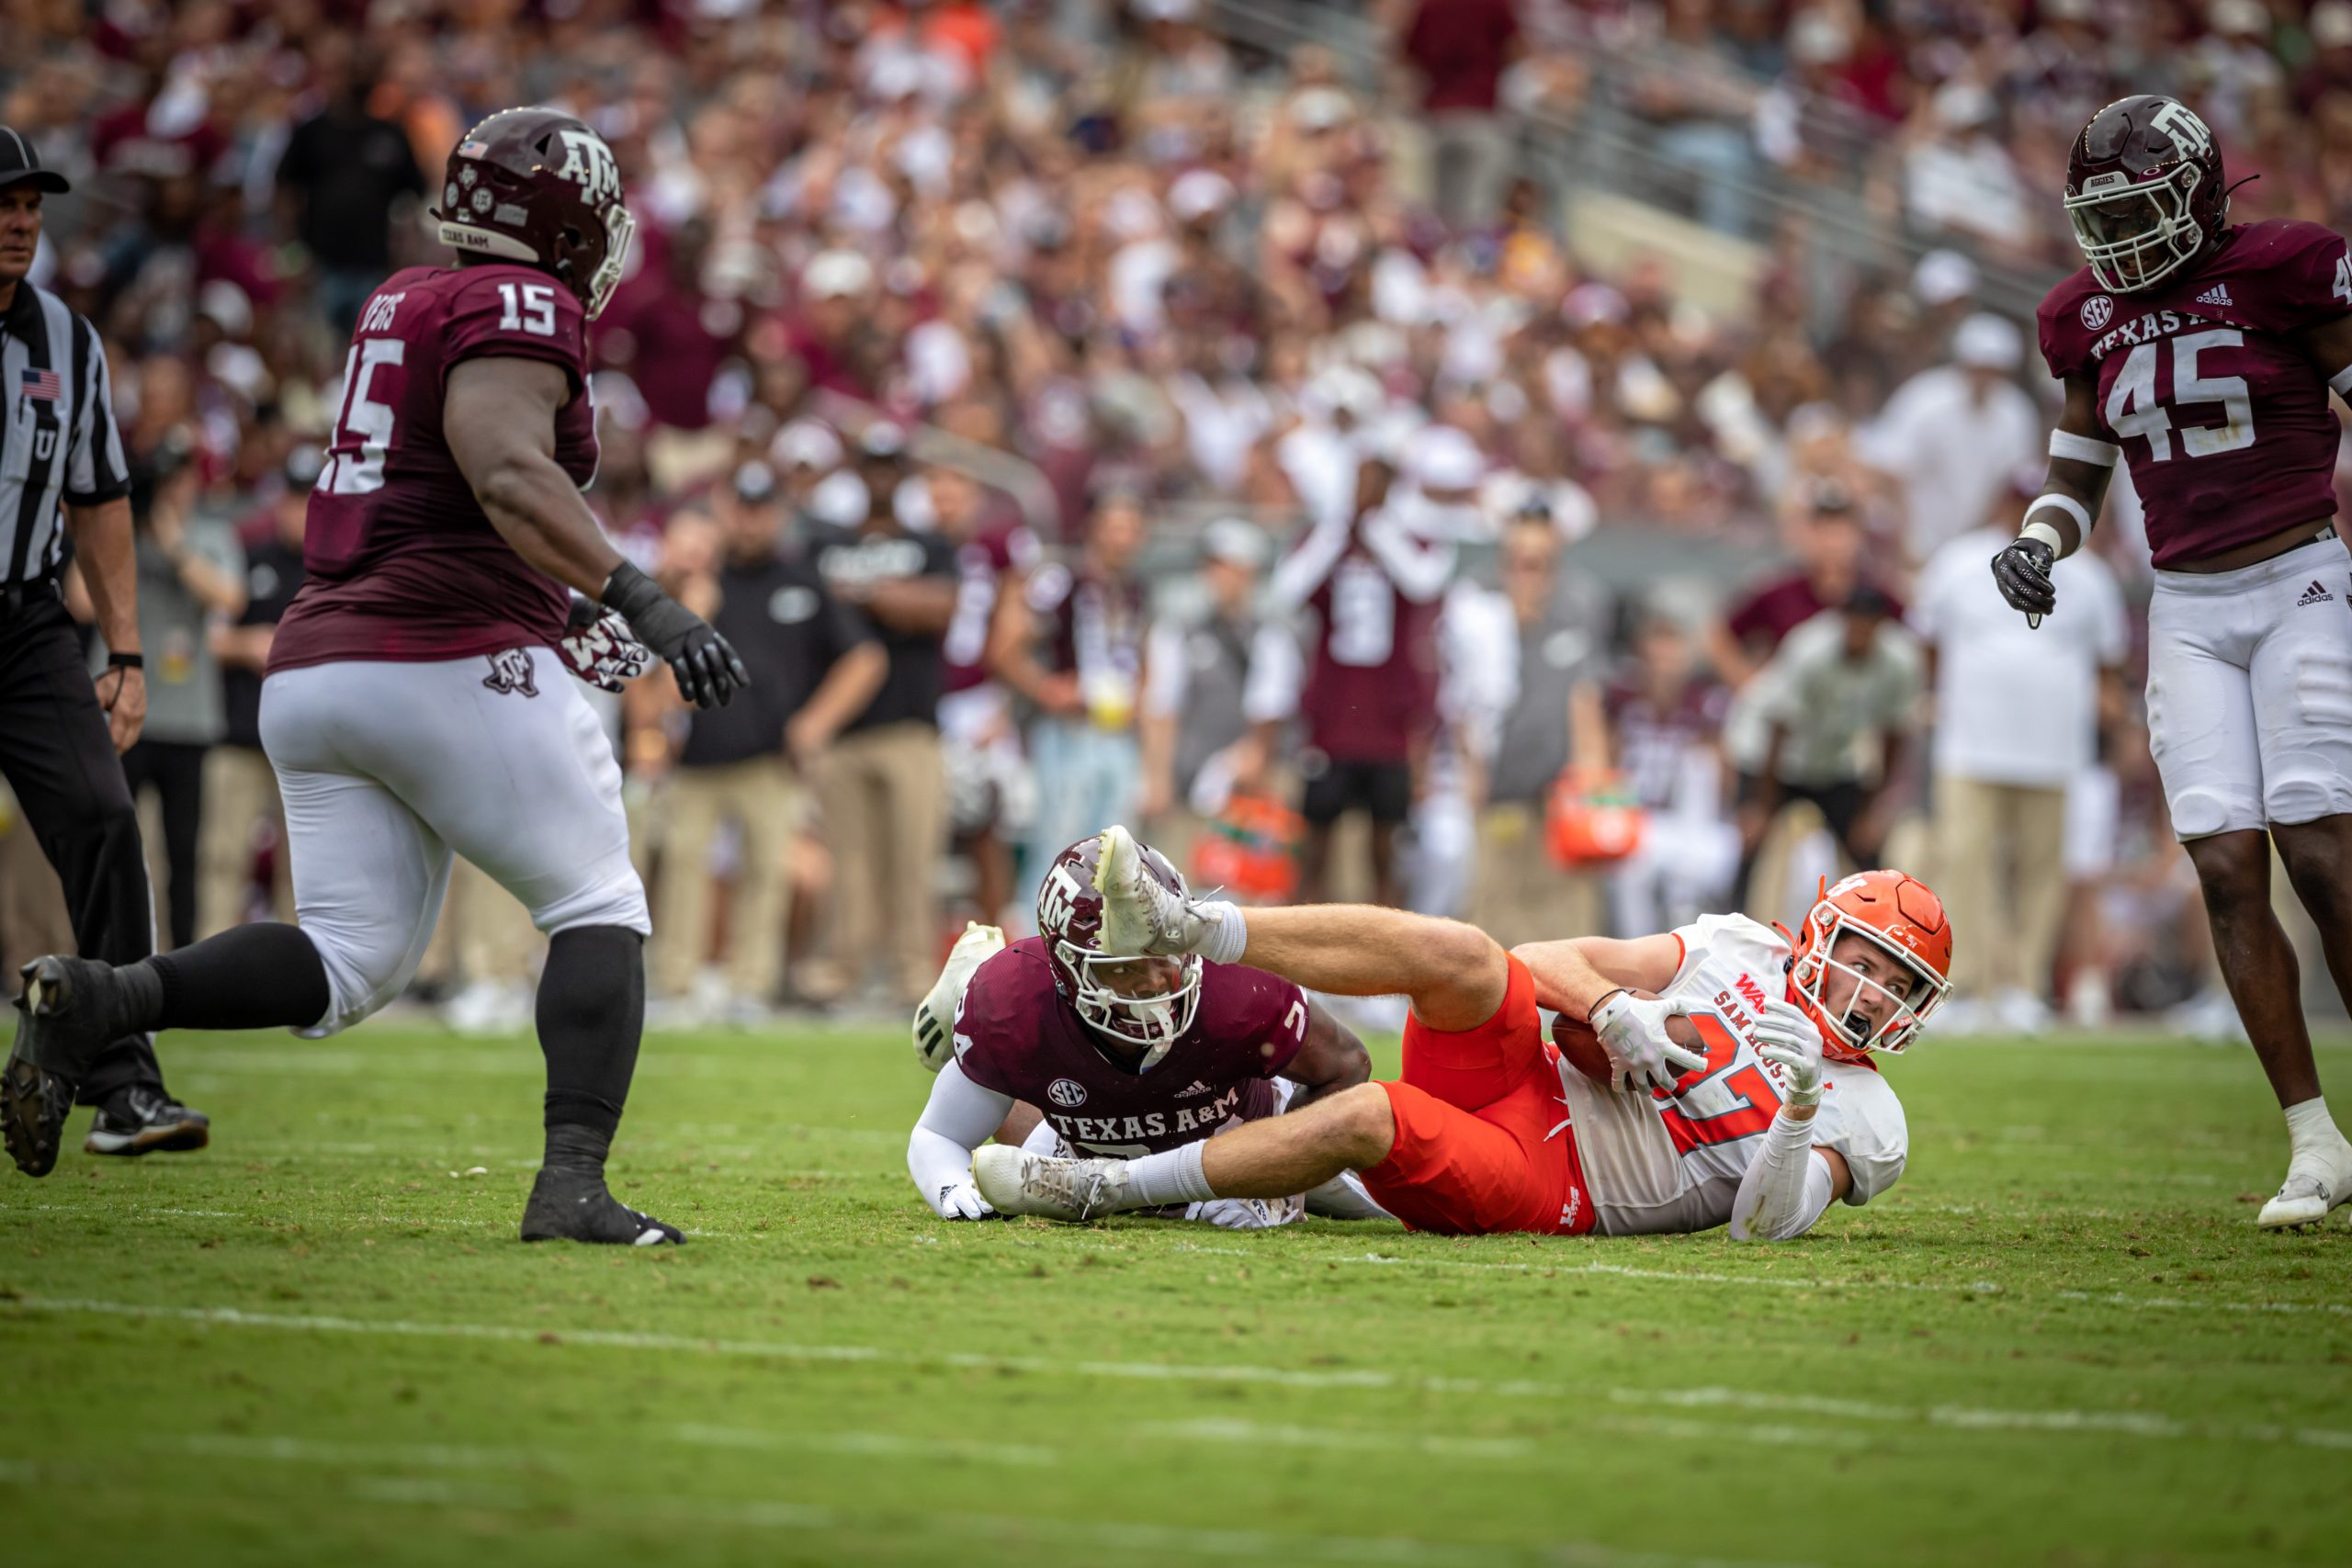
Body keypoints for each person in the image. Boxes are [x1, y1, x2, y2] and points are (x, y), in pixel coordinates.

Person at [2, 109, 749, 1247]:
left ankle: (107, 999)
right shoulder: (519, 300)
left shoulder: (406, 297)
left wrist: (558, 604)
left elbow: (441, 493)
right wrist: (642, 598)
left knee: (350, 961)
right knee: (598, 901)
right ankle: (571, 1189)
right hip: (439, 656)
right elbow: (501, 469)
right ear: (554, 222)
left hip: (320, 664)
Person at [1991, 95, 2352, 1229]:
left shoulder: (2286, 269)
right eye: (2104, 216)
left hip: (2299, 576)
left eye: (2141, 208)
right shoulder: (2080, 318)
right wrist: (2037, 543)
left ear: (2198, 191)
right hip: (2187, 607)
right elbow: (2077, 473)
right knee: (2224, 865)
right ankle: (2312, 1140)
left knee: (2321, 851)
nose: (2123, 239)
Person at [977, 826, 1949, 1243]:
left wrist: (1800, 1109)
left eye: (1896, 983)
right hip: (1529, 1080)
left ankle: (1102, 1186)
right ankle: (1194, 926)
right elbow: (1545, 956)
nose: (1869, 995)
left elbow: (1762, 1225)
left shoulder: (1868, 1117)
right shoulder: (1738, 945)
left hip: (1561, 1185)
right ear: (1820, 931)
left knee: (1371, 1113)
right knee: (1468, 954)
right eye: (1865, 959)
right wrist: (1614, 1011)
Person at [0, 127, 209, 1166]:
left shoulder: (67, 342)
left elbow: (101, 499)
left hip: (28, 619)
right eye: (2, 204)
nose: (19, 221)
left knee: (101, 818)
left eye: (30, 205)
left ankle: (123, 1082)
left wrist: (125, 654)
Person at [904, 835, 1383, 1226]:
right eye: (1124, 968)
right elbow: (939, 1135)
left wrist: (1283, 1162)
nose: (1156, 982)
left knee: (1356, 1206)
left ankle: (966, 1027)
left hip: (1240, 1129)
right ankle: (965, 1020)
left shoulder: (1235, 984)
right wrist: (951, 1184)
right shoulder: (1012, 1000)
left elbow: (1348, 1064)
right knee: (1020, 1104)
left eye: (1163, 954)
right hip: (1083, 1138)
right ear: (1066, 968)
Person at [650, 462, 885, 1016]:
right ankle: (677, 984)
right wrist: (690, 607)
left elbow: (864, 657)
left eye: (761, 509)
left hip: (768, 756)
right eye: (742, 507)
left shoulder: (801, 579)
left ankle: (748, 987)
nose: (752, 521)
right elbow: (664, 688)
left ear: (777, 512)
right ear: (724, 508)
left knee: (767, 873)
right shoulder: (699, 580)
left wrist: (816, 722)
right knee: (684, 868)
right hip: (697, 756)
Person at [1917, 491, 2126, 1033]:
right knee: (1963, 862)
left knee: (2041, 872)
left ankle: (2022, 987)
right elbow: (1928, 644)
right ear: (2003, 501)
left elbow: (2109, 663)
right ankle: (1961, 986)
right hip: (1968, 747)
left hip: (2055, 753)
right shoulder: (1958, 562)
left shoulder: (2092, 576)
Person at [1263, 432, 1460, 907]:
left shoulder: (1410, 541)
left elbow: (1424, 581)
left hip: (1388, 724)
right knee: (1315, 846)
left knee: (1384, 850)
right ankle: (1308, 953)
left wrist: (1377, 528)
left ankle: (1382, 957)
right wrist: (1339, 528)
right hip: (1331, 719)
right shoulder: (1326, 540)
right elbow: (1286, 590)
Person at [803, 432, 960, 1007]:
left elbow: (940, 607)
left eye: (892, 464)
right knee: (847, 862)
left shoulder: (930, 543)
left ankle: (912, 976)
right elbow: (809, 618)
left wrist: (864, 592)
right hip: (843, 730)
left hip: (911, 725)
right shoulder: (824, 543)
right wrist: (893, 599)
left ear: (905, 472)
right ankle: (841, 971)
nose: (882, 475)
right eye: (872, 464)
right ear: (858, 470)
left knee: (914, 859)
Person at [93, 439, 247, 952]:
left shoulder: (209, 533)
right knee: (113, 843)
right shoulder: (116, 531)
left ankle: (182, 961)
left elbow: (230, 596)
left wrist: (174, 543)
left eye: (181, 477)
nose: (173, 489)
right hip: (125, 714)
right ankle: (113, 953)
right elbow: (76, 595)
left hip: (189, 719)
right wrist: (123, 525)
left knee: (185, 850)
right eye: (165, 479)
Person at [989, 485, 1151, 929]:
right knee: (1058, 847)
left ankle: (1091, 953)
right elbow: (1005, 645)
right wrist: (1045, 689)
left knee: (1116, 858)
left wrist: (1137, 696)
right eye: (1114, 527)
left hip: (1115, 734)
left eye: (1130, 529)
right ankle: (1029, 950)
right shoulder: (1063, 581)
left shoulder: (1133, 590)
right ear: (1093, 529)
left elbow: (1142, 658)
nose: (1122, 538)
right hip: (1068, 732)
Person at [1727, 588, 1924, 910]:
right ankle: (1731, 921)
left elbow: (1894, 733)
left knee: (1866, 854)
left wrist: (1871, 811)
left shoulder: (1899, 661)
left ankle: (1878, 924)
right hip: (1771, 757)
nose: (1859, 634)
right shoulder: (1810, 649)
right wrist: (1761, 806)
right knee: (1753, 846)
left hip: (1833, 760)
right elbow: (1779, 726)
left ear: (1881, 626)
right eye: (1854, 624)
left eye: (1868, 626)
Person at [200, 447, 316, 935]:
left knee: (307, 866)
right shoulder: (249, 559)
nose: (301, 512)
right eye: (293, 499)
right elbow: (212, 637)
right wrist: (249, 644)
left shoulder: (338, 572)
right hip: (242, 731)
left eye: (310, 500)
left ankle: (304, 969)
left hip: (306, 742)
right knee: (222, 854)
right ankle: (208, 960)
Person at [1860, 312, 2044, 565]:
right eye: (1978, 368)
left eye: (1994, 371)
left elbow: (2009, 488)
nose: (1984, 378)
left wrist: (1976, 547)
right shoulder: (1924, 398)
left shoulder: (2016, 414)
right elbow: (1891, 471)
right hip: (1913, 542)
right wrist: (1903, 545)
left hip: (1970, 547)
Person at [1706, 481, 1898, 690]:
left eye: (1841, 532)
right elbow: (1720, 636)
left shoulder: (1878, 596)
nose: (1832, 543)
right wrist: (1752, 687)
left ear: (1858, 536)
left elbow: (1912, 648)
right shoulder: (1779, 593)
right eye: (1824, 531)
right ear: (1808, 535)